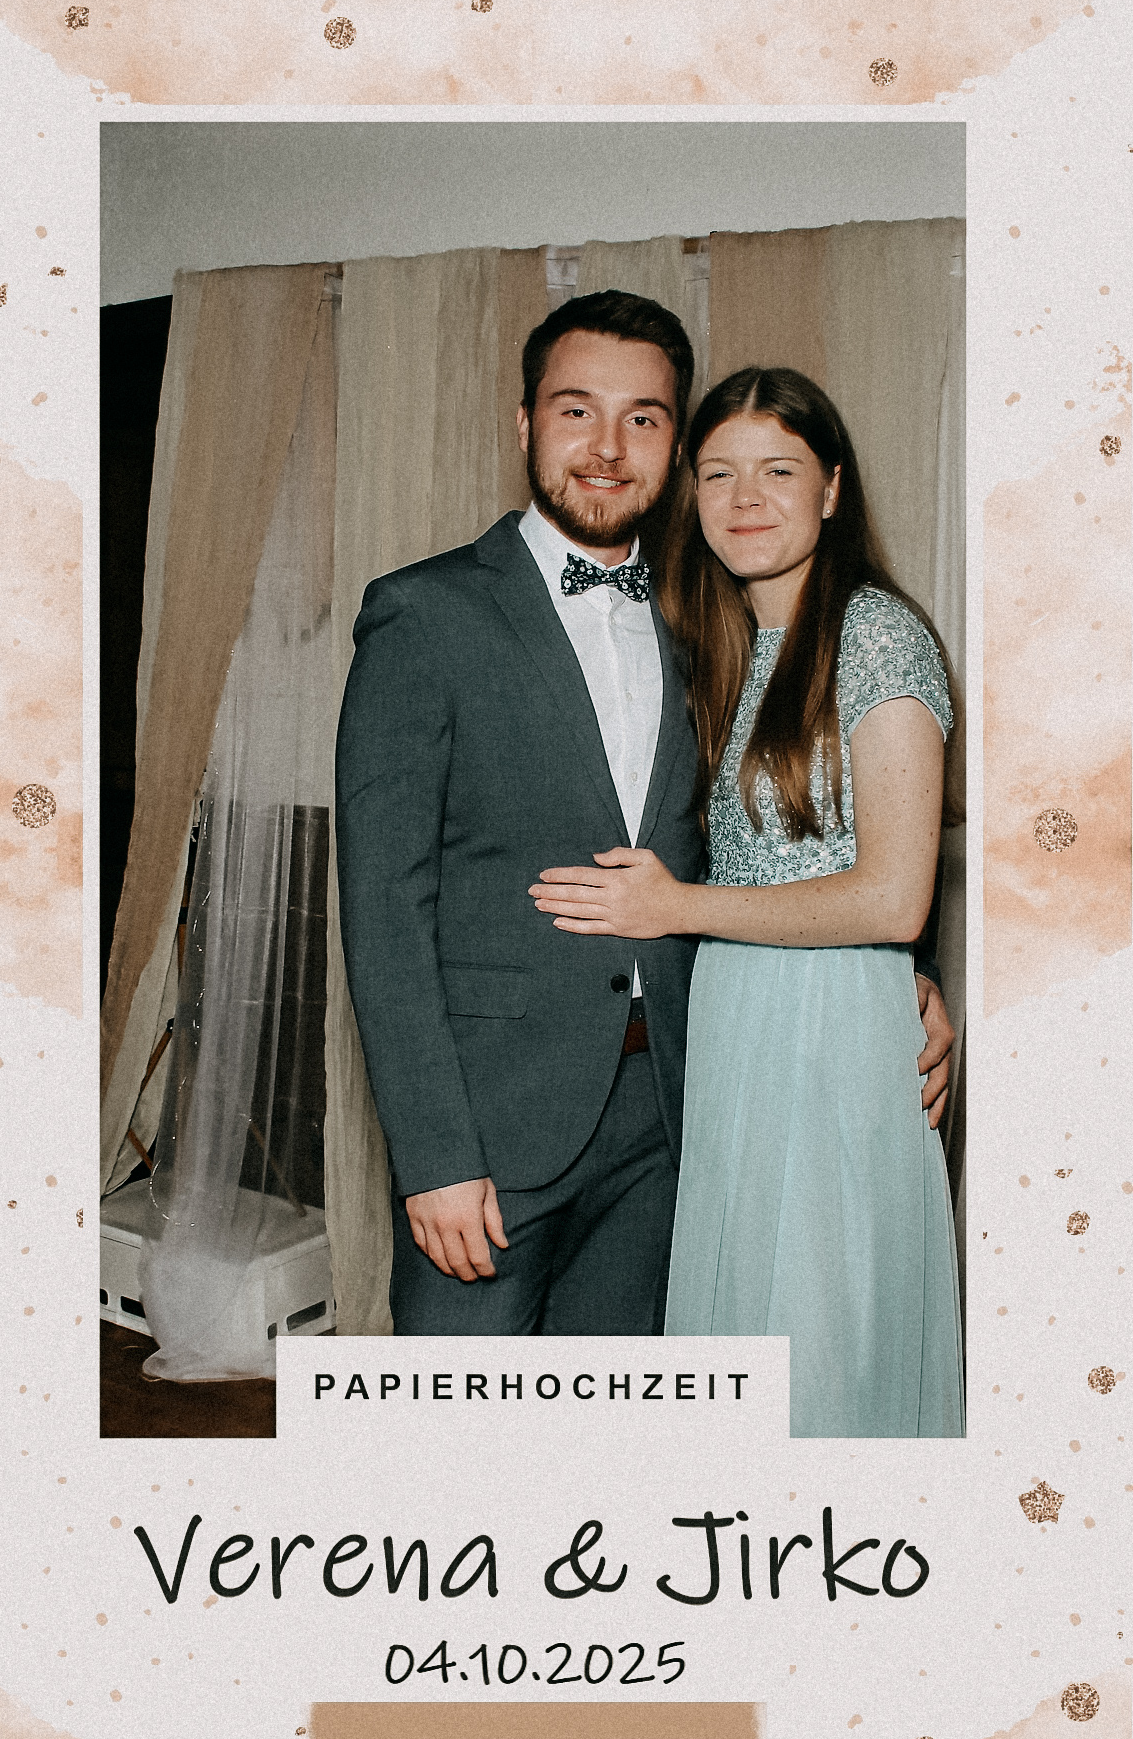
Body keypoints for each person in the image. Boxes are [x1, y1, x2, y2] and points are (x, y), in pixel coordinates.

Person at [337, 298, 954, 1339]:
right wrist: (434, 1154)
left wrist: (904, 976)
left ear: (671, 445)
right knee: (453, 1424)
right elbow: (382, 905)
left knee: (630, 1421)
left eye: (645, 418)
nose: (609, 448)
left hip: (677, 1110)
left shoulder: (704, 620)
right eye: (577, 410)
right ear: (524, 423)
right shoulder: (425, 613)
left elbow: (777, 830)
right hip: (493, 1124)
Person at [530, 366, 965, 1433]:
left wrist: (677, 907)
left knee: (819, 1360)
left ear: (832, 488)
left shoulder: (876, 634)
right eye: (719, 473)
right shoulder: (724, 639)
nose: (745, 499)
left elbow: (894, 898)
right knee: (742, 1354)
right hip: (734, 1030)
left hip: (827, 1042)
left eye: (778, 471)